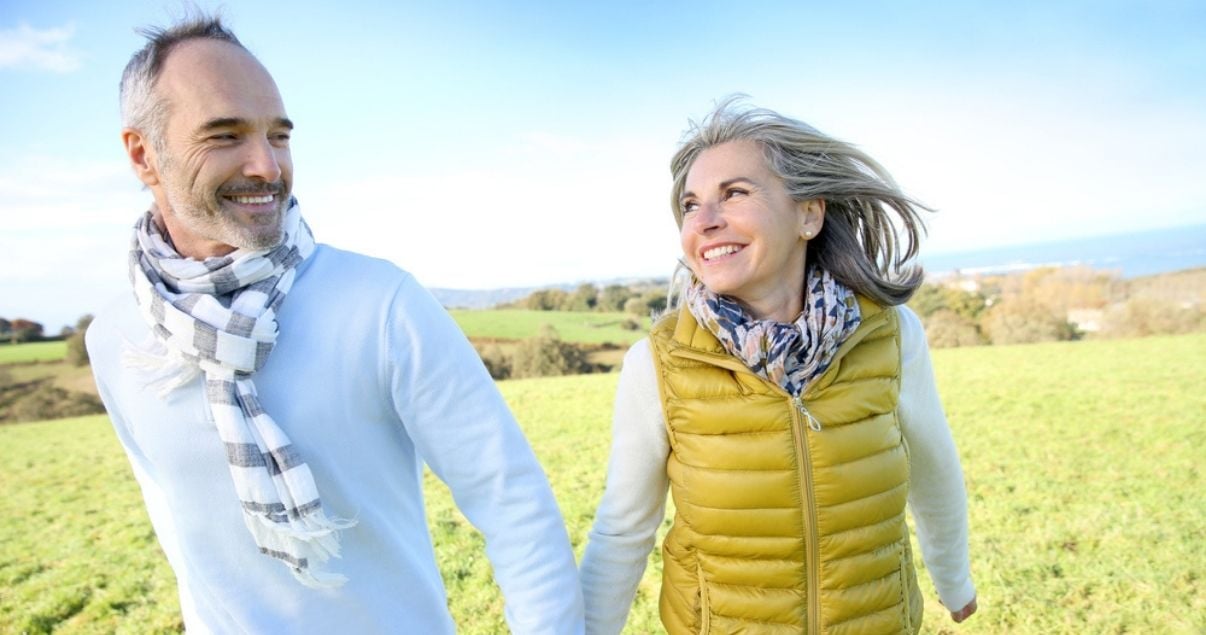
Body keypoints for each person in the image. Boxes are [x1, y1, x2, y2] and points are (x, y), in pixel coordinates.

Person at [86, 14, 583, 634]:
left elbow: (514, 505)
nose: (266, 166)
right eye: (224, 135)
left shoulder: (379, 303)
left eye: (279, 135)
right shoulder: (114, 337)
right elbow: (178, 531)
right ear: (143, 154)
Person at [579, 100, 978, 633]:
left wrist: (954, 580)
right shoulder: (656, 363)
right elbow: (623, 529)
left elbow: (934, 470)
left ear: (808, 214)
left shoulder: (890, 333)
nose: (706, 221)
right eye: (691, 205)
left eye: (735, 193)